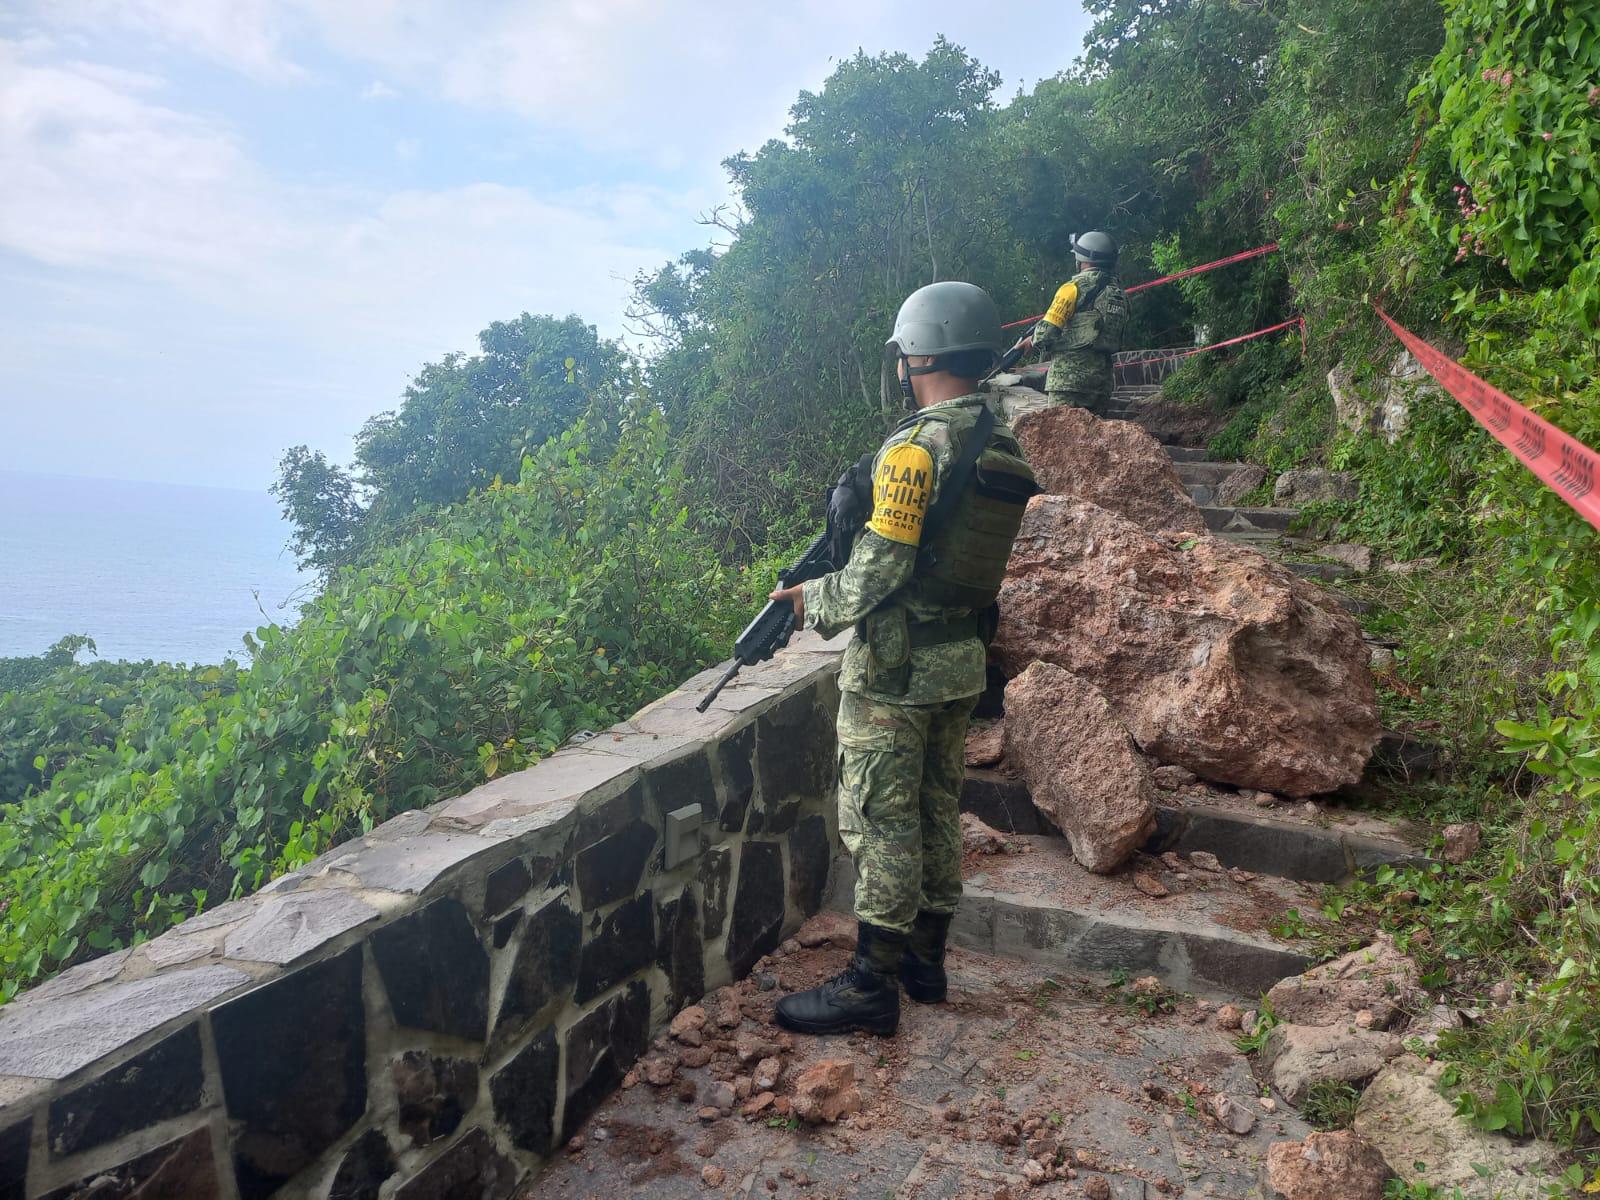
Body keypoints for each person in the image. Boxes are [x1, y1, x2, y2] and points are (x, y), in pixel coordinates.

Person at [768, 281, 1037, 1036]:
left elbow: (880, 570)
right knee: (932, 813)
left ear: (916, 352)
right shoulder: (1002, 442)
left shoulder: (918, 448)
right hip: (958, 662)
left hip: (897, 668)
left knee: (881, 821)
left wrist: (808, 603)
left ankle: (869, 987)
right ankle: (925, 964)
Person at [1017, 231, 1129, 416]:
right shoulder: (1119, 294)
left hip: (1067, 383)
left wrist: (1032, 340)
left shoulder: (1072, 288)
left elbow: (1045, 335)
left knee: (1062, 438)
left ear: (1080, 259)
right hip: (1101, 384)